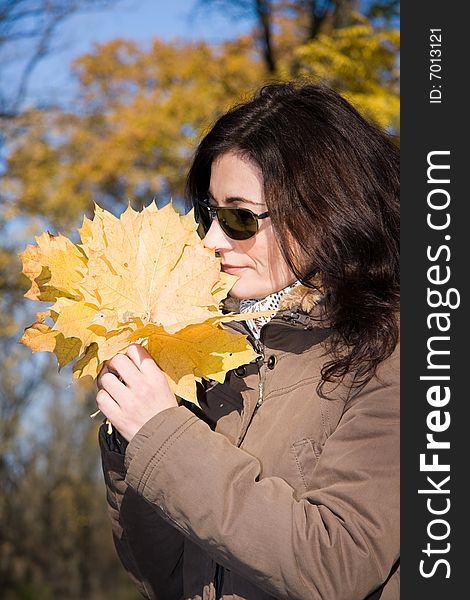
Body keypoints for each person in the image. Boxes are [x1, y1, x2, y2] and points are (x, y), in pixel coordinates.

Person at [96, 82, 400, 600]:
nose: (213, 240)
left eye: (239, 216)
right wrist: (131, 438)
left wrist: (164, 436)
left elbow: (337, 563)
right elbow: (163, 577)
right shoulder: (217, 353)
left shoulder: (398, 352)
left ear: (325, 209)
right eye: (207, 213)